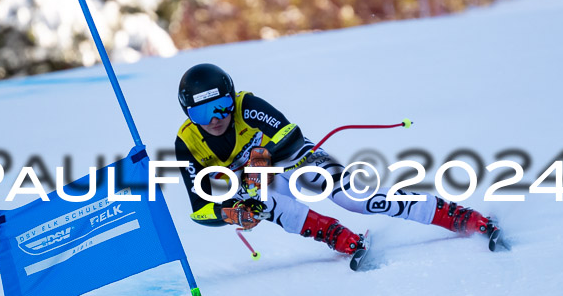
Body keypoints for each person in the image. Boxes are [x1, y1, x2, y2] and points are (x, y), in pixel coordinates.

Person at [174, 63, 500, 255]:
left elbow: (290, 134)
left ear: (232, 98)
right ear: (188, 113)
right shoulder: (188, 143)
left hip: (293, 160)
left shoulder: (247, 106)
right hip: (258, 184)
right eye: (201, 112)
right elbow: (200, 210)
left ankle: (453, 214)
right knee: (261, 201)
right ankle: (335, 235)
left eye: (221, 106)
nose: (215, 118)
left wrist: (260, 163)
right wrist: (232, 214)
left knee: (355, 199)